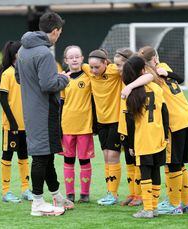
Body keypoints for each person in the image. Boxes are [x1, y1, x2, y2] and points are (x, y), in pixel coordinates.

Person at [17, 11, 73, 217]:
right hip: (44, 110)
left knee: (46, 155)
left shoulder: (23, 49)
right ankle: (38, 203)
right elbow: (48, 84)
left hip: (31, 109)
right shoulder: (44, 53)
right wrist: (63, 79)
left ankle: (56, 195)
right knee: (41, 157)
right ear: (56, 31)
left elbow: (19, 77)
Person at [137, 46, 188, 215]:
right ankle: (186, 203)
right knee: (180, 163)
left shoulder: (152, 75)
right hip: (187, 117)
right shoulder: (164, 66)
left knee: (172, 163)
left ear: (153, 60)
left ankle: (174, 205)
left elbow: (147, 78)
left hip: (174, 122)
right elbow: (181, 78)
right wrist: (165, 72)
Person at [122, 56, 169, 218]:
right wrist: (166, 135)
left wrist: (131, 145)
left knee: (145, 174)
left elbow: (130, 123)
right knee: (156, 171)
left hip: (142, 140)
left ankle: (147, 209)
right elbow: (164, 112)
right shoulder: (156, 88)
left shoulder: (131, 93)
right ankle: (154, 208)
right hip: (158, 136)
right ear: (142, 70)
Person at [0, 41, 33, 203]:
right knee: (7, 156)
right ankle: (6, 192)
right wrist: (13, 123)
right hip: (11, 126)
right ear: (16, 54)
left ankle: (25, 189)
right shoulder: (7, 74)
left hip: (26, 125)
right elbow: (3, 101)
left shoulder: (26, 72)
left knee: (24, 157)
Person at [82, 49, 122, 206]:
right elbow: (79, 65)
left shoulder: (114, 70)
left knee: (113, 156)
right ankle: (110, 192)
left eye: (96, 67)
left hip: (116, 120)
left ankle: (113, 194)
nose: (93, 70)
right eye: (91, 67)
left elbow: (130, 66)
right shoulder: (88, 70)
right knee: (106, 156)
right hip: (101, 122)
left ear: (106, 63)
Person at [60, 45, 95, 203]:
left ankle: (85, 194)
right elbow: (60, 104)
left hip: (84, 126)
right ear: (66, 60)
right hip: (67, 126)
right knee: (68, 160)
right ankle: (69, 194)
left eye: (77, 56)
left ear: (82, 59)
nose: (74, 59)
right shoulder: (63, 79)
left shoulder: (89, 77)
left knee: (84, 160)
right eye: (71, 57)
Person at [114, 48, 143, 206]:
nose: (117, 68)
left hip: (136, 127)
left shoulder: (138, 81)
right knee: (129, 162)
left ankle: (140, 195)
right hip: (124, 126)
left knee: (138, 162)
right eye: (116, 65)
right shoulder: (120, 78)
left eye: (120, 65)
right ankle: (132, 193)